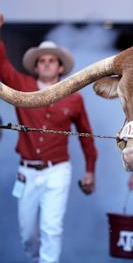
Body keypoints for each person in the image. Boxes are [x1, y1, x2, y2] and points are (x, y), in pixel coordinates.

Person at [0, 14, 98, 263]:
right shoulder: (22, 85)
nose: (45, 64)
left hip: (58, 172)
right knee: (27, 234)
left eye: (51, 61)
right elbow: (1, 64)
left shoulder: (73, 97)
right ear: (35, 66)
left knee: (51, 229)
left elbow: (86, 136)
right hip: (27, 173)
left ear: (60, 67)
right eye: (41, 61)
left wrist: (89, 171)